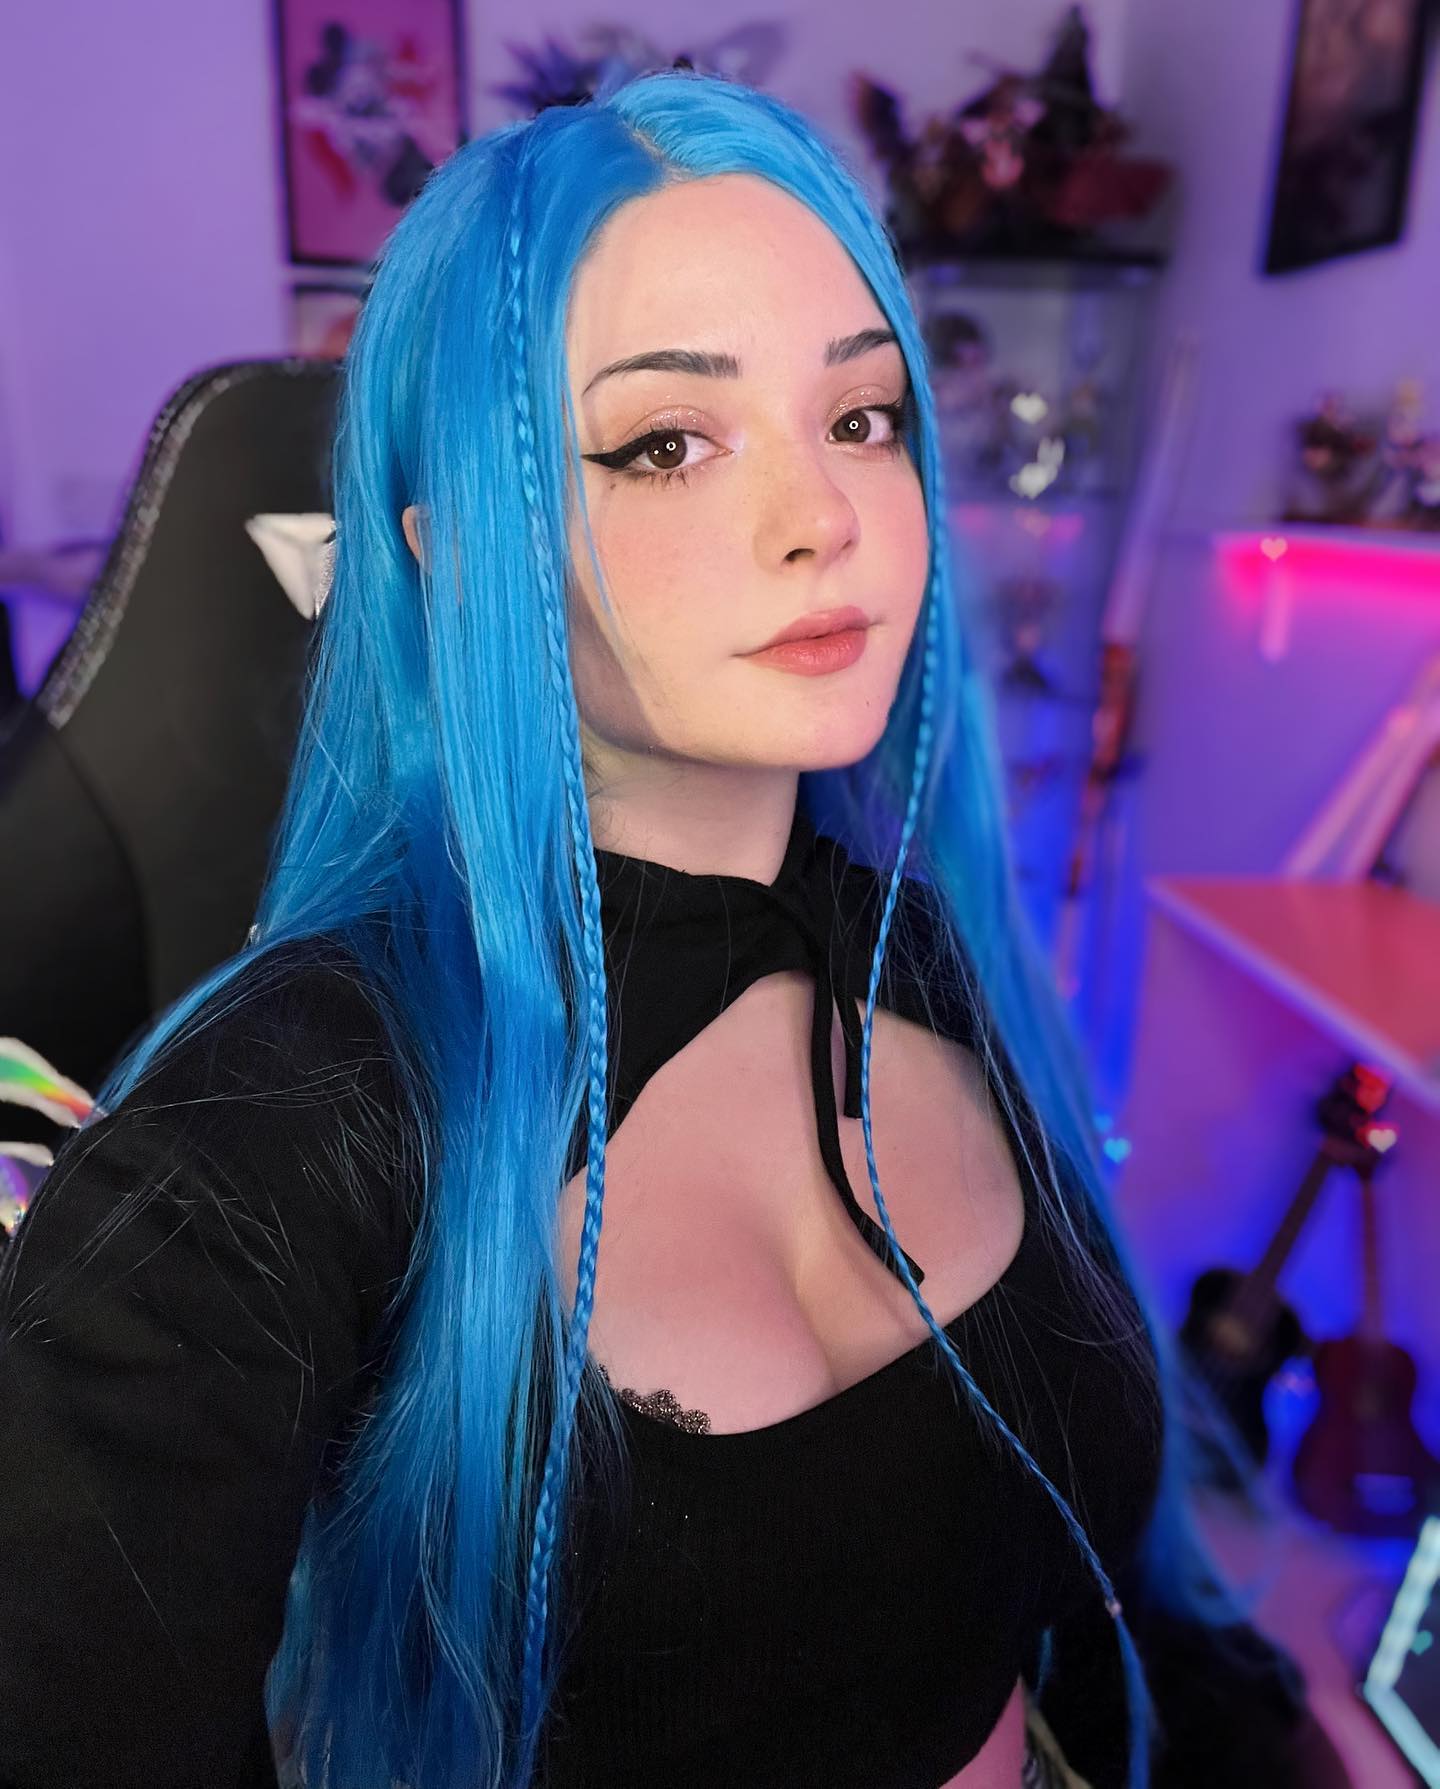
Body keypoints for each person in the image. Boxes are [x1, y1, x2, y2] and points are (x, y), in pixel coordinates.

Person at [1, 67, 1334, 1789]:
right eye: (668, 444)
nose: (823, 517)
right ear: (463, 553)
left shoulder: (926, 961)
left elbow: (1128, 1587)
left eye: (863, 417)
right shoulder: (286, 1128)